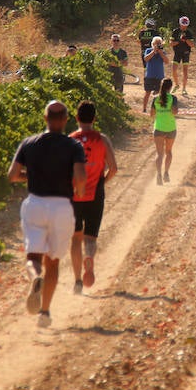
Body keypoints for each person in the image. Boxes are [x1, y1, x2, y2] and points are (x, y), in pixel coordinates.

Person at [7, 100, 87, 328]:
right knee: (53, 262)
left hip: (35, 204)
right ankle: (44, 312)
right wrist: (78, 190)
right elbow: (80, 177)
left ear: (45, 118)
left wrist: (29, 177)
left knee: (33, 258)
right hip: (62, 206)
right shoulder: (73, 146)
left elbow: (12, 175)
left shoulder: (28, 144)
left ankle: (35, 278)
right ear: (65, 120)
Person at [69, 101, 118, 294]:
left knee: (75, 239)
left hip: (74, 194)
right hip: (95, 193)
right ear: (95, 119)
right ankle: (89, 257)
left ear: (76, 118)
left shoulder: (70, 140)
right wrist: (102, 183)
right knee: (90, 238)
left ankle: (77, 281)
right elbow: (113, 168)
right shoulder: (102, 139)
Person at [149, 78, 178, 185]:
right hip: (170, 128)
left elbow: (151, 114)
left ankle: (159, 175)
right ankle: (166, 173)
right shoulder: (173, 98)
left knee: (159, 153)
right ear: (170, 87)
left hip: (159, 128)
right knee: (169, 152)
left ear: (161, 86)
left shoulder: (155, 99)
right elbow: (175, 112)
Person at [142, 35, 169, 113]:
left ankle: (158, 108)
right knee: (147, 92)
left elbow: (167, 62)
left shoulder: (163, 52)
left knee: (160, 93)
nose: (158, 45)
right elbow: (146, 59)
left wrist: (161, 53)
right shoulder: (148, 50)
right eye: (156, 43)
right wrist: (153, 51)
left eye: (159, 43)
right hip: (150, 75)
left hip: (159, 76)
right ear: (153, 44)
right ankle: (144, 109)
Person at [170, 16, 194, 95]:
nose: (184, 26)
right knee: (173, 70)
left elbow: (192, 45)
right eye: (183, 24)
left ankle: (184, 89)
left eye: (185, 25)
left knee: (185, 71)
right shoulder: (175, 31)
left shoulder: (189, 33)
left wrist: (186, 39)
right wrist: (179, 41)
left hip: (186, 53)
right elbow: (171, 43)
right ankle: (177, 85)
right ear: (180, 24)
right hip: (177, 53)